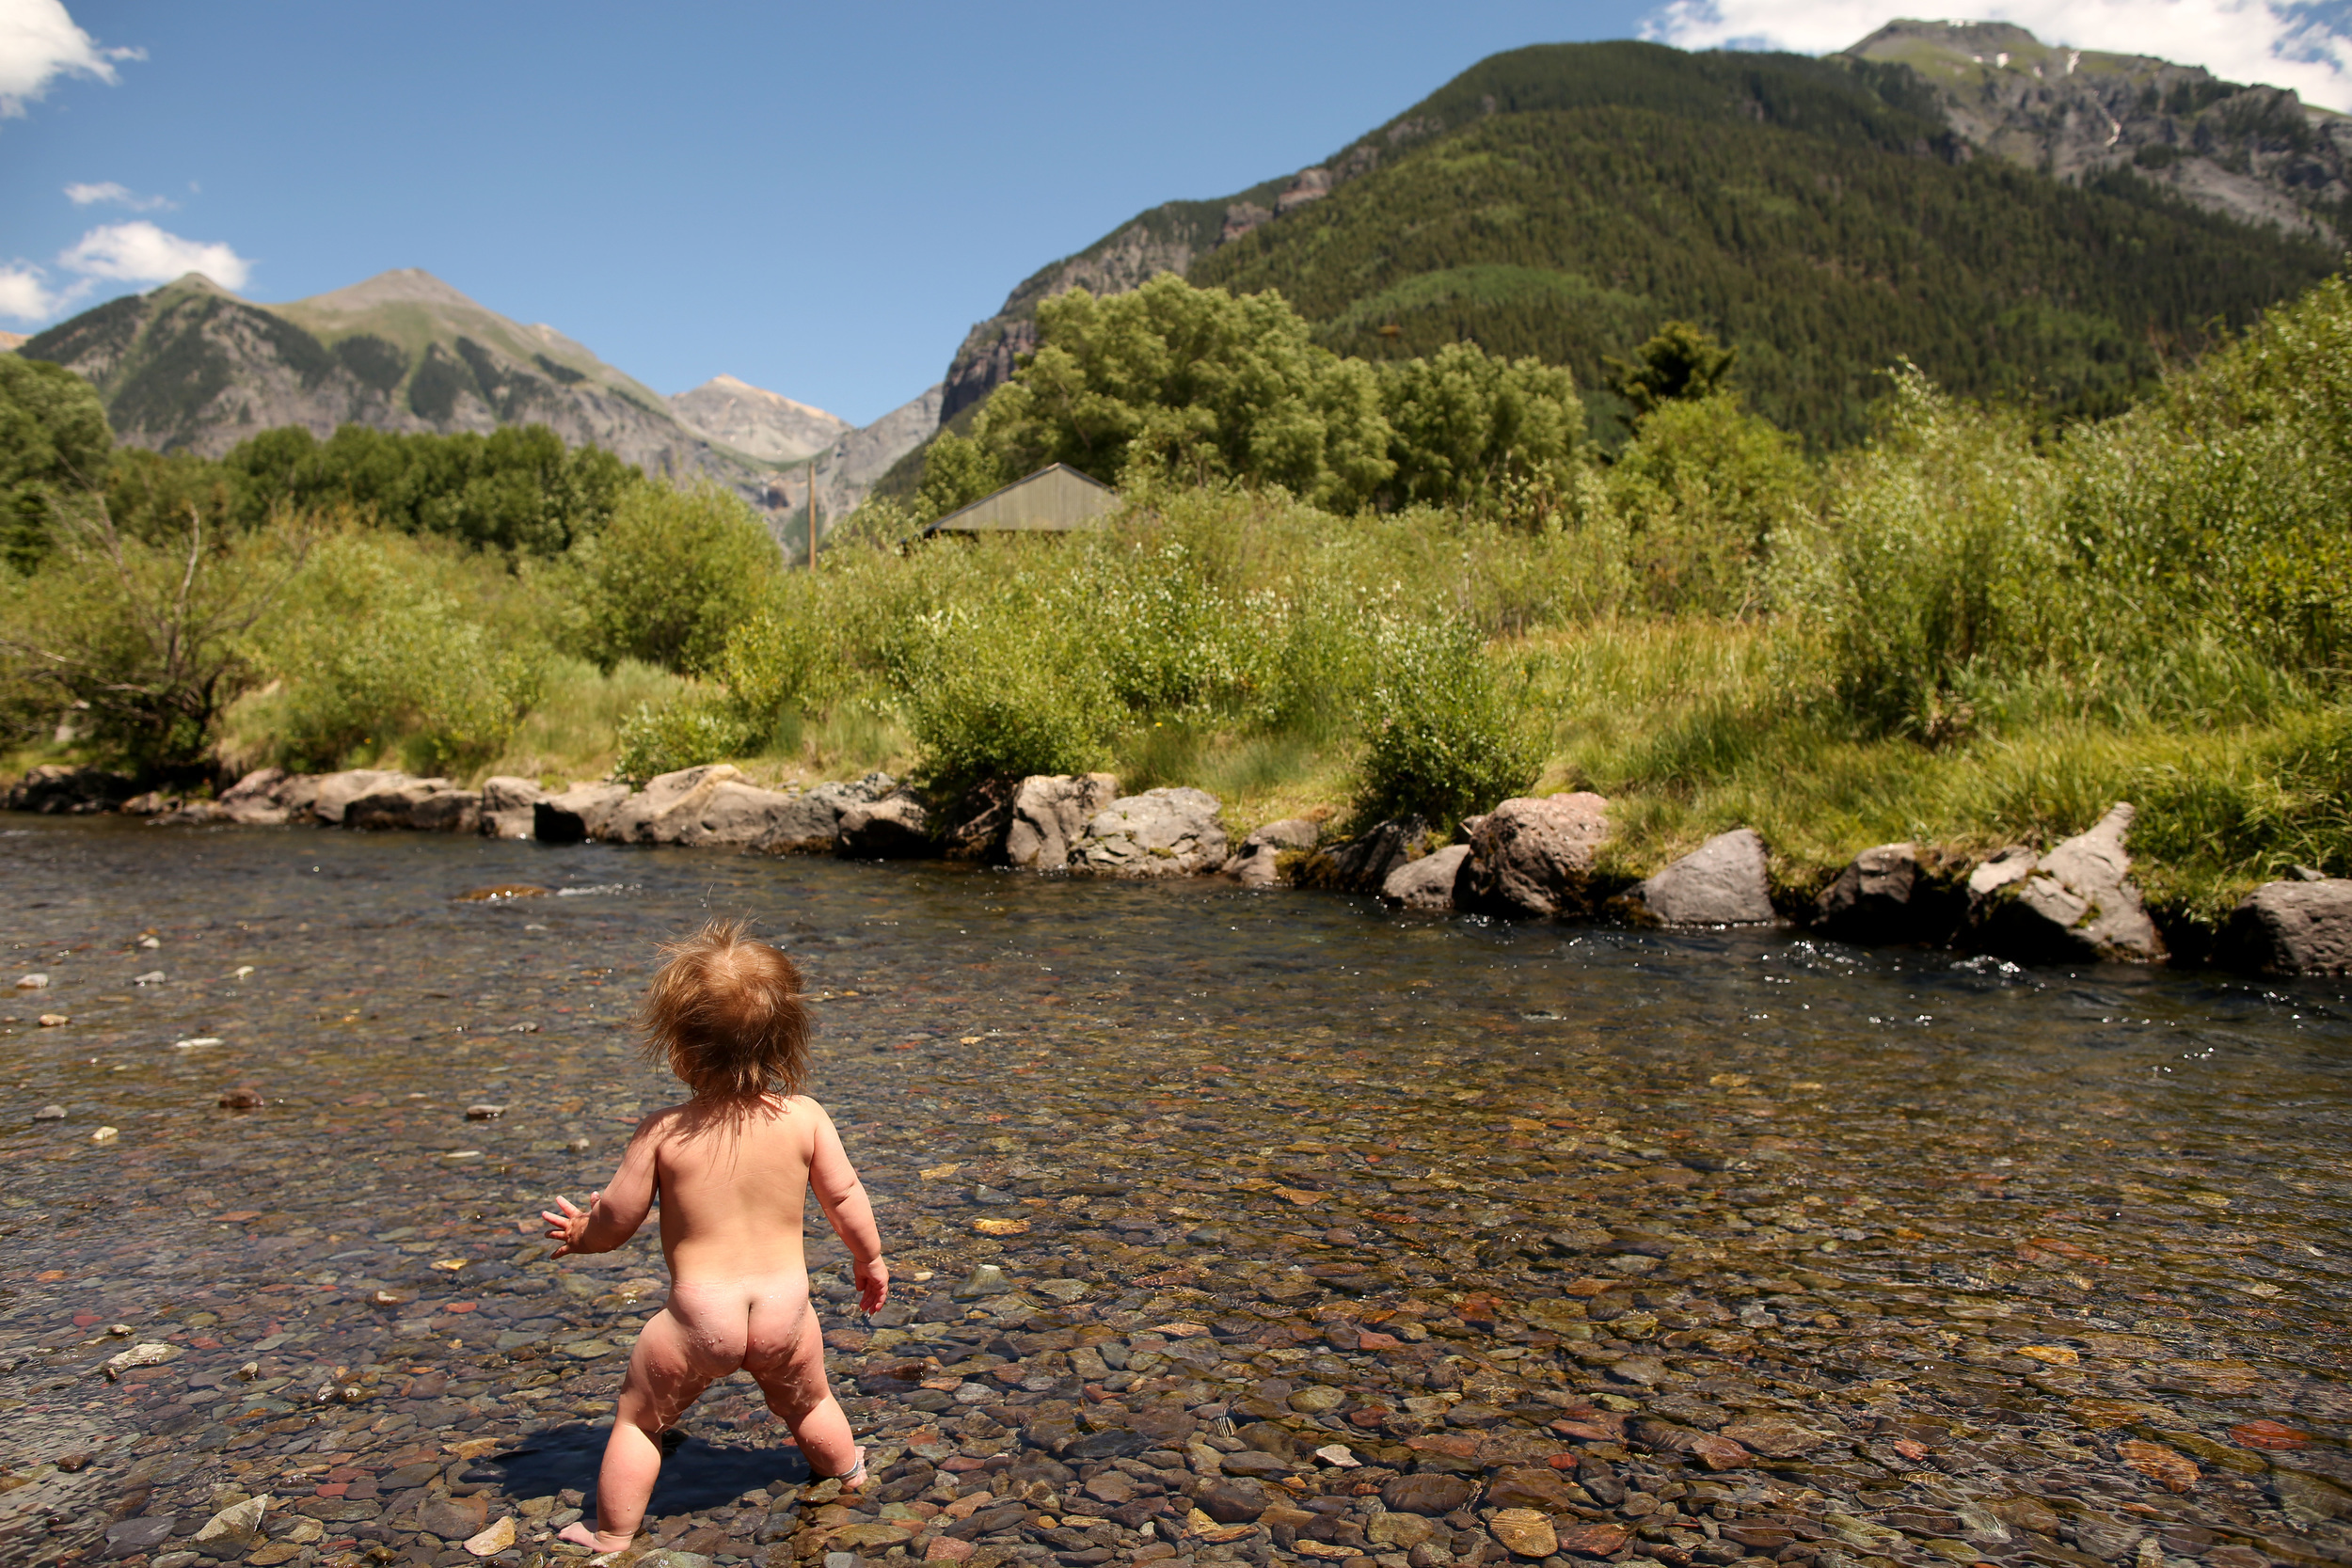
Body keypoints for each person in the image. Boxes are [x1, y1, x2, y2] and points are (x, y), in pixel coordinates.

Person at [540, 918, 887, 1556]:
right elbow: (844, 1198)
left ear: (680, 1051)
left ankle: (613, 1535)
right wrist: (870, 1258)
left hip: (700, 1317)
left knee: (640, 1420)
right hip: (785, 1310)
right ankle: (848, 1475)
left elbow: (617, 1221)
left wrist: (584, 1233)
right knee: (810, 1403)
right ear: (787, 1041)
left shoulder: (664, 1132)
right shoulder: (806, 1118)